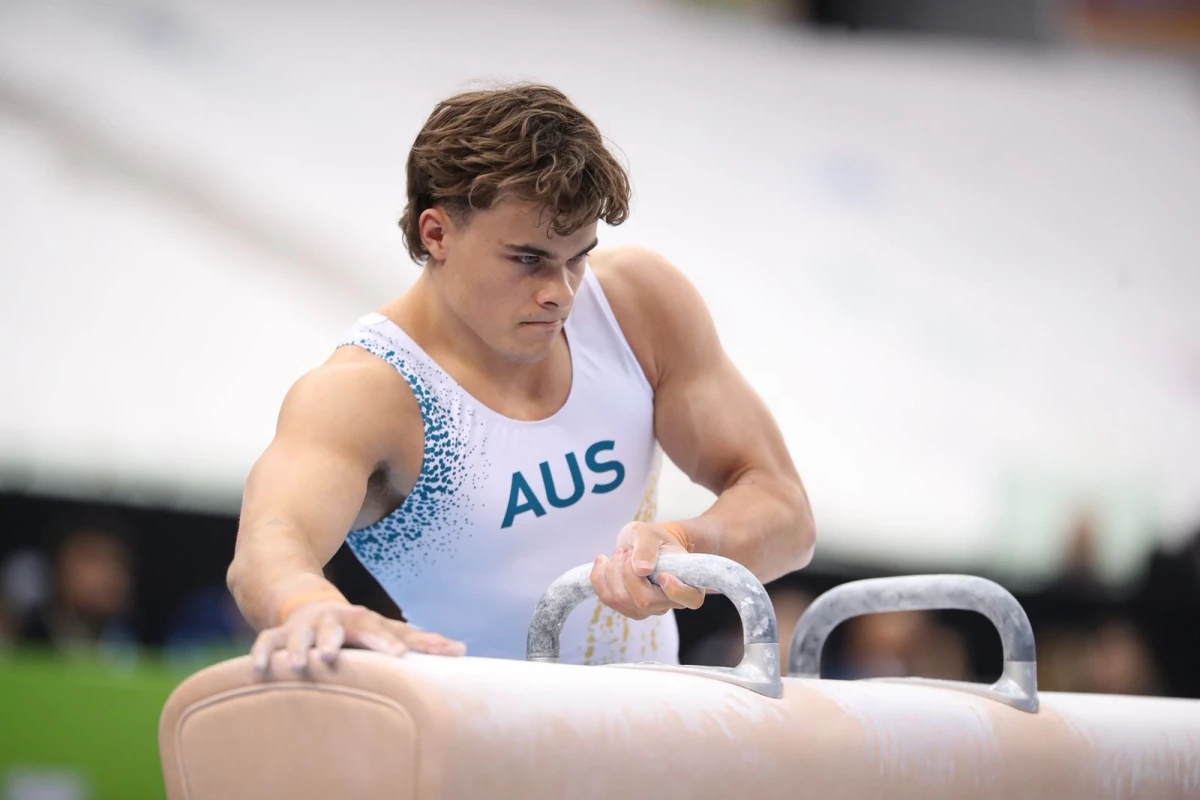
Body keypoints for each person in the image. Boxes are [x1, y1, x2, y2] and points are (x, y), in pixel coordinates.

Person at [227, 83, 816, 672]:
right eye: (529, 259)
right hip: (480, 723)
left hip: (651, 716)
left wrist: (690, 543)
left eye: (577, 257)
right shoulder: (371, 393)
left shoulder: (635, 308)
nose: (560, 293)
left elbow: (786, 511)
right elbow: (270, 545)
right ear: (437, 234)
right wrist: (305, 603)